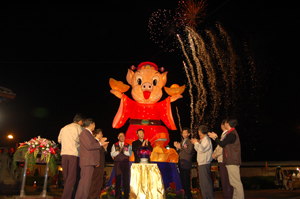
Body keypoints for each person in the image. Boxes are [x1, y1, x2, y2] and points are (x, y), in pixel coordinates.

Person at [208, 118, 244, 199]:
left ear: (228, 124)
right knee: (233, 182)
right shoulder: (231, 133)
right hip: (230, 161)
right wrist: (216, 137)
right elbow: (223, 143)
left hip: (232, 161)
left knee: (236, 182)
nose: (224, 125)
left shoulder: (232, 134)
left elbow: (222, 143)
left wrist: (214, 138)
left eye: (225, 123)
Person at [75, 118, 109, 199]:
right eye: (94, 124)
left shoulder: (89, 134)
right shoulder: (85, 133)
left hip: (89, 162)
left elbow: (93, 148)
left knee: (86, 184)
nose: (95, 126)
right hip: (87, 162)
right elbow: (89, 146)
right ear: (90, 125)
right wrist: (100, 143)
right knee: (84, 184)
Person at [58, 113, 85, 199]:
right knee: (72, 178)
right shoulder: (80, 128)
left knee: (66, 177)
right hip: (74, 154)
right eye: (82, 122)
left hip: (64, 154)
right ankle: (67, 197)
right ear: (80, 121)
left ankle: (71, 195)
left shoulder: (64, 128)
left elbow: (59, 140)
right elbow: (82, 141)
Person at [191, 125, 215, 199]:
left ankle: (209, 197)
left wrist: (196, 143)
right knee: (203, 183)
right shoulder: (203, 139)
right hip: (202, 163)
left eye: (198, 131)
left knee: (206, 182)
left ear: (200, 131)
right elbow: (198, 149)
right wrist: (196, 143)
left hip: (205, 163)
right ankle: (206, 197)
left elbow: (202, 149)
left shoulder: (206, 139)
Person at [212, 120, 233, 199]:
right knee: (224, 180)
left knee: (225, 180)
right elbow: (219, 145)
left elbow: (222, 147)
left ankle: (228, 196)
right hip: (222, 159)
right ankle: (227, 195)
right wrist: (214, 152)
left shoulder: (227, 134)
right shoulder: (224, 134)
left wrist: (215, 154)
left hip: (224, 159)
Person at [111, 132, 132, 199]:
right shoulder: (115, 145)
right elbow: (112, 154)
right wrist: (118, 151)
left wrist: (124, 151)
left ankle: (126, 196)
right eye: (121, 136)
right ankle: (118, 196)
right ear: (118, 137)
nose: (122, 137)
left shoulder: (127, 145)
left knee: (126, 180)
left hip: (125, 164)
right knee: (118, 180)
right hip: (118, 164)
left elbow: (130, 154)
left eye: (123, 136)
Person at [88, 129, 108, 199]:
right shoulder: (94, 142)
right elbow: (94, 153)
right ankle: (91, 196)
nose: (102, 135)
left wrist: (105, 148)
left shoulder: (100, 143)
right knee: (95, 181)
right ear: (98, 134)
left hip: (101, 164)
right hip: (97, 164)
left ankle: (96, 195)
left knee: (99, 182)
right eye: (101, 134)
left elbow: (102, 153)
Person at [174, 127, 193, 199]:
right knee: (183, 181)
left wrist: (180, 147)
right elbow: (180, 151)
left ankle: (189, 196)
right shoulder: (182, 142)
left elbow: (189, 150)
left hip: (186, 164)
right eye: (183, 133)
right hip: (181, 164)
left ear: (188, 134)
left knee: (186, 181)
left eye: (186, 133)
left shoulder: (189, 142)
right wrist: (177, 147)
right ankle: (186, 195)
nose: (184, 134)